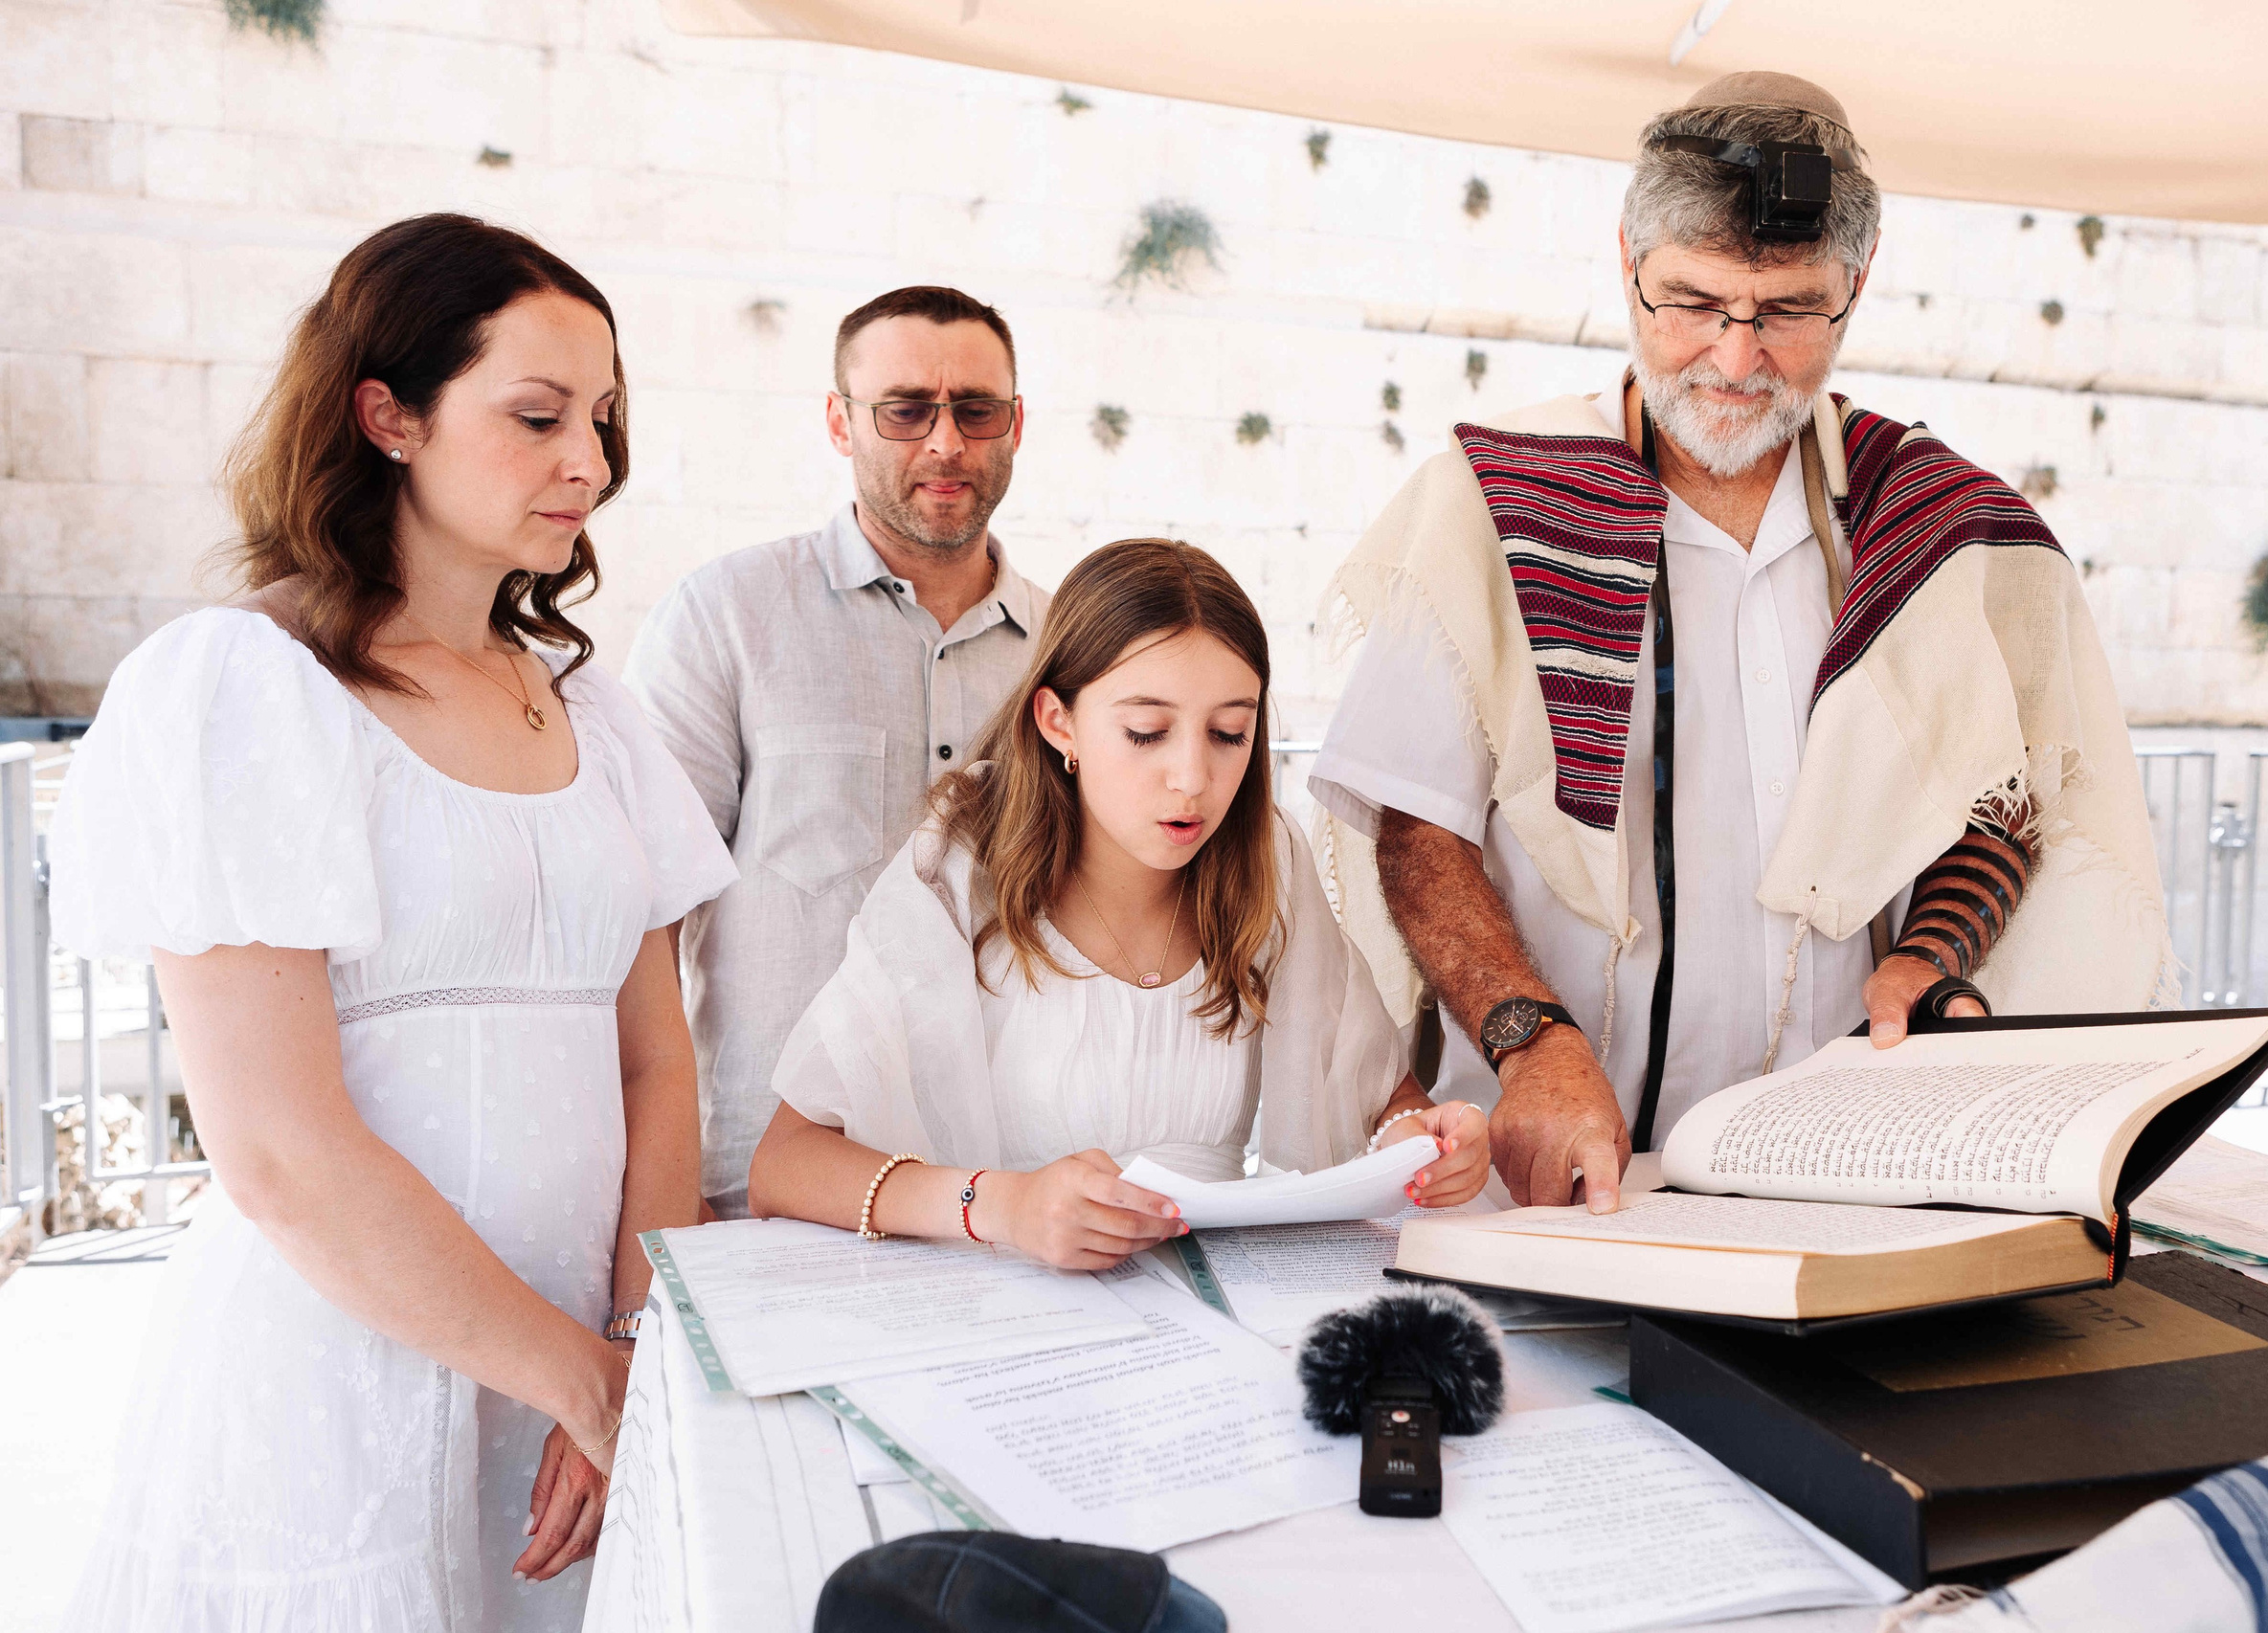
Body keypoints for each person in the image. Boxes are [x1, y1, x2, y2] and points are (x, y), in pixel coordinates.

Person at [1311, 72, 2174, 1214]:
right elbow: (1419, 827)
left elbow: (2004, 794)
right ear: (1627, 259)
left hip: (1848, 1178)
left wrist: (1933, 949)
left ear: (1857, 282)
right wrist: (1528, 1038)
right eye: (1692, 302)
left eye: (1787, 312)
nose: (1731, 358)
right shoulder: (1494, 506)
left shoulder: (1931, 520)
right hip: (1555, 1187)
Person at [44, 214, 737, 1631]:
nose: (591, 463)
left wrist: (633, 1348)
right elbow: (278, 1149)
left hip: (587, 1385)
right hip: (331, 1384)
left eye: (603, 419)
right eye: (538, 417)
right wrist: (578, 1376)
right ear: (389, 416)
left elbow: (658, 1062)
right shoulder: (246, 689)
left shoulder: (597, 712)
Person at [746, 539, 1489, 1261]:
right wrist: (1002, 1205)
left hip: (1220, 1305)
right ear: (1058, 721)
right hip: (1011, 1307)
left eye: (1229, 733)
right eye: (1146, 732)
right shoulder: (960, 865)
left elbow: (1383, 1093)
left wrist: (1421, 1142)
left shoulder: (1268, 860)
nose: (1192, 778)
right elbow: (783, 1163)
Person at [625, 284, 1049, 1221]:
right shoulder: (725, 617)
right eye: (905, 410)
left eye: (976, 411)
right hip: (760, 1183)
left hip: (1005, 1189)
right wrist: (664, 1184)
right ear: (839, 420)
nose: (945, 442)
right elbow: (642, 921)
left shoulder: (1071, 652)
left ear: (1016, 424)